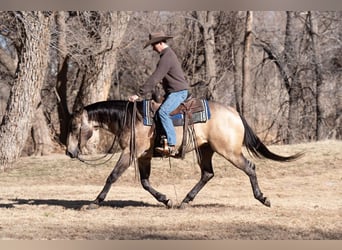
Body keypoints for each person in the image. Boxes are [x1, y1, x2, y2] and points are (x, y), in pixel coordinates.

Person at [129, 31, 189, 156]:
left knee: (163, 112)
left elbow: (155, 78)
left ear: (160, 43)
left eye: (153, 45)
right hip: (173, 92)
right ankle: (160, 140)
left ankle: (172, 145)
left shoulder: (167, 57)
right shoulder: (167, 55)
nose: (153, 48)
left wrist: (139, 94)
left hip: (178, 93)